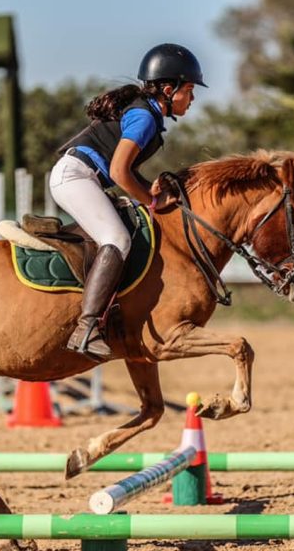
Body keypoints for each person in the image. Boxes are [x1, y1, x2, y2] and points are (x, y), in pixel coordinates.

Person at [49, 43, 207, 361]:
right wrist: (151, 199)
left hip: (85, 177)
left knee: (125, 231)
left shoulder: (146, 114)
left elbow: (123, 172)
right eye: (189, 90)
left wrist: (152, 190)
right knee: (117, 239)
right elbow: (121, 172)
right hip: (76, 177)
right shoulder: (145, 117)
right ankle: (87, 327)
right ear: (168, 88)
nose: (192, 99)